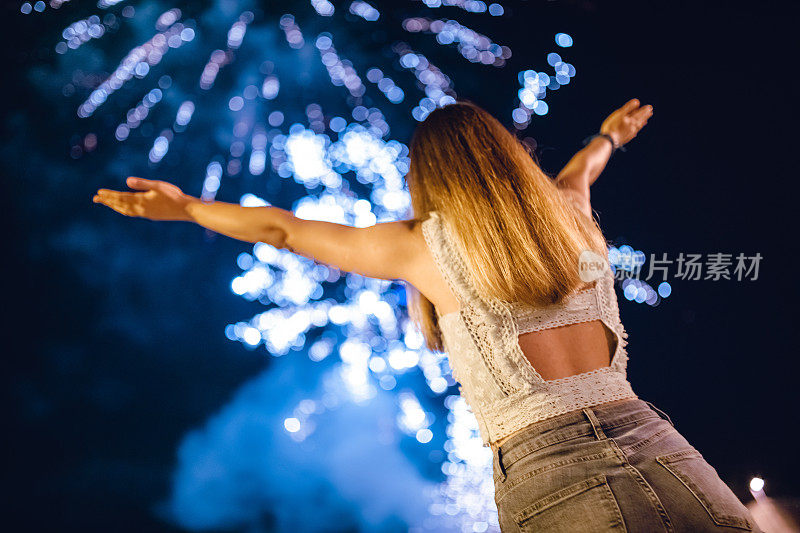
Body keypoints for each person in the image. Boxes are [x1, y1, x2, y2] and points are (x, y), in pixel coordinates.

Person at [93, 99, 760, 532]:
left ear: (427, 178)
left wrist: (185, 208)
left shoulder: (421, 246)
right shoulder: (572, 219)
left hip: (551, 478)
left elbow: (283, 231)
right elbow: (582, 170)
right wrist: (608, 135)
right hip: (660, 445)